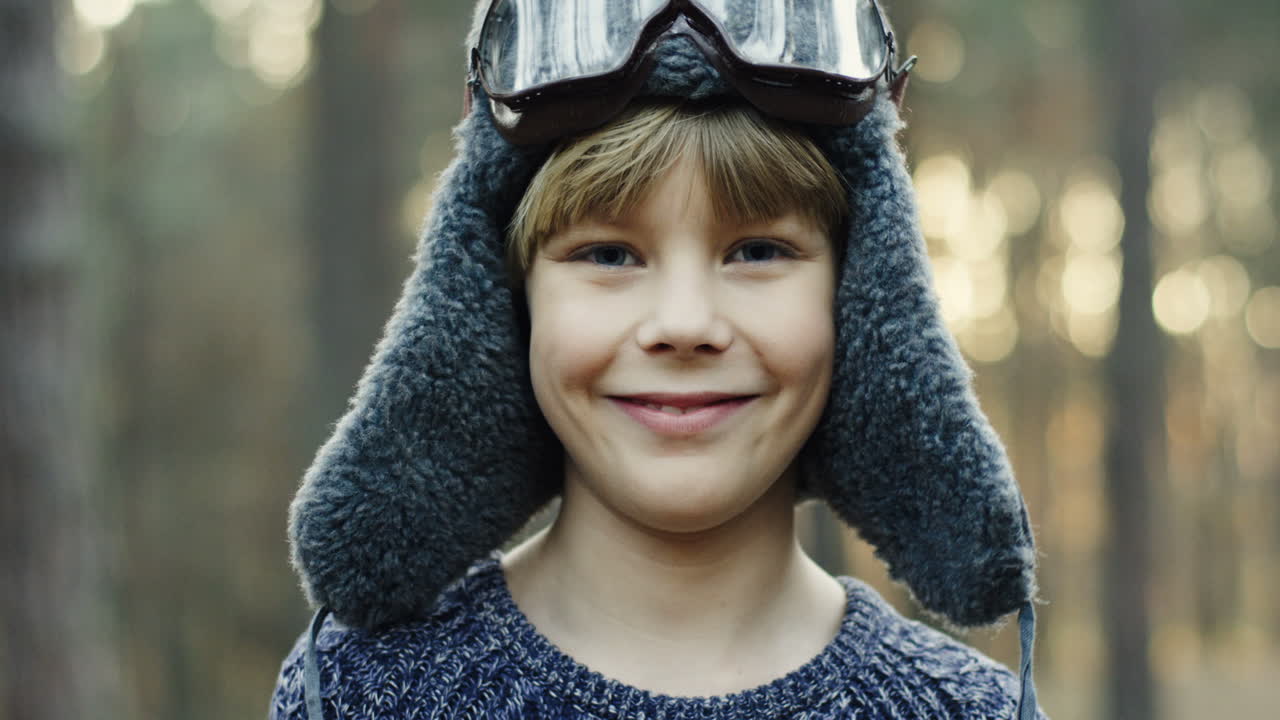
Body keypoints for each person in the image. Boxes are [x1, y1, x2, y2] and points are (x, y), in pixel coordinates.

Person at [271, 1, 1047, 718]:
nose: (684, 325)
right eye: (608, 253)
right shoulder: (357, 696)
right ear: (505, 305)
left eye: (757, 251)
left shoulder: (970, 711)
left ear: (863, 298)